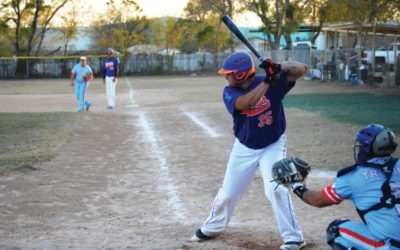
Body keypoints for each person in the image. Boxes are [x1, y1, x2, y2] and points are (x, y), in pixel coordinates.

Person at [189, 52, 308, 250]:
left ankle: (294, 238)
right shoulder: (230, 92)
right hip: (244, 147)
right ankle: (213, 227)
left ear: (241, 74)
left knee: (276, 189)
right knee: (228, 193)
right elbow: (246, 103)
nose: (226, 77)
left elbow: (301, 69)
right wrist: (268, 82)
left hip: (273, 144)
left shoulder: (272, 82)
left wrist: (278, 66)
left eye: (229, 74)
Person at [289, 124, 399, 249]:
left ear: (367, 148)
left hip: (392, 245)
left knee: (336, 230)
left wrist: (296, 186)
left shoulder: (352, 177)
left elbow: (318, 200)